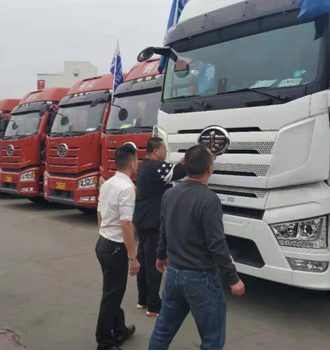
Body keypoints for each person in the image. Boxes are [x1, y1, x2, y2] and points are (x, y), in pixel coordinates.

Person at [148, 144, 245, 350]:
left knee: (163, 331)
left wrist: (160, 256)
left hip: (173, 274)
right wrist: (233, 279)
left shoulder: (170, 194)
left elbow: (164, 229)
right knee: (212, 338)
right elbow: (217, 244)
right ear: (210, 169)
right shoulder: (209, 199)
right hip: (200, 278)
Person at [133, 137, 186, 317]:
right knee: (154, 263)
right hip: (152, 221)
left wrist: (180, 163)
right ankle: (154, 306)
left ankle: (143, 299)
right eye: (164, 148)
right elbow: (180, 172)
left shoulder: (145, 165)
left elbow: (174, 169)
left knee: (143, 260)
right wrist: (196, 157)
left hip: (142, 219)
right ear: (156, 151)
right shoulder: (156, 167)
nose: (166, 151)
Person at [95, 143, 140, 350]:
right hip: (115, 248)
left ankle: (119, 329)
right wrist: (133, 257)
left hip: (103, 244)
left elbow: (100, 213)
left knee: (113, 292)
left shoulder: (108, 183)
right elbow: (126, 224)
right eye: (137, 159)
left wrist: (104, 232)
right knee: (112, 297)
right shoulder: (127, 188)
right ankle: (104, 343)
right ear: (132, 163)